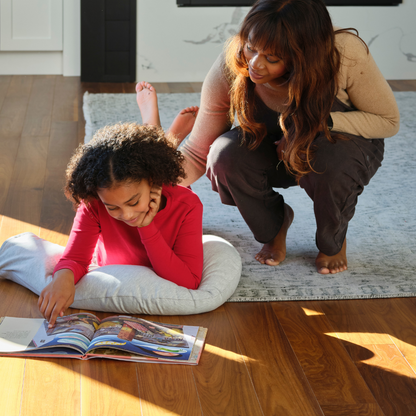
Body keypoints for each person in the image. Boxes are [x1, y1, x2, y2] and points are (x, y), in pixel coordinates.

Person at [175, 0, 400, 275]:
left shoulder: (345, 53)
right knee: (223, 156)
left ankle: (332, 241)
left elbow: (388, 121)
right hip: (273, 147)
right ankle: (275, 224)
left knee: (332, 163)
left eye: (272, 58)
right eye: (251, 47)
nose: (254, 64)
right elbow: (198, 150)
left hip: (336, 148)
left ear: (303, 57)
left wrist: (315, 125)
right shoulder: (234, 60)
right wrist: (150, 188)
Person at [36, 99, 203, 326]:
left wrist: (147, 227)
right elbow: (75, 257)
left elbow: (190, 282)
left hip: (167, 192)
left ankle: (164, 138)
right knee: (143, 164)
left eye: (133, 202)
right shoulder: (94, 203)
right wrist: (62, 277)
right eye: (112, 207)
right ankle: (160, 138)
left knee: (171, 173)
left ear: (154, 182)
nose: (126, 215)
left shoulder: (187, 205)